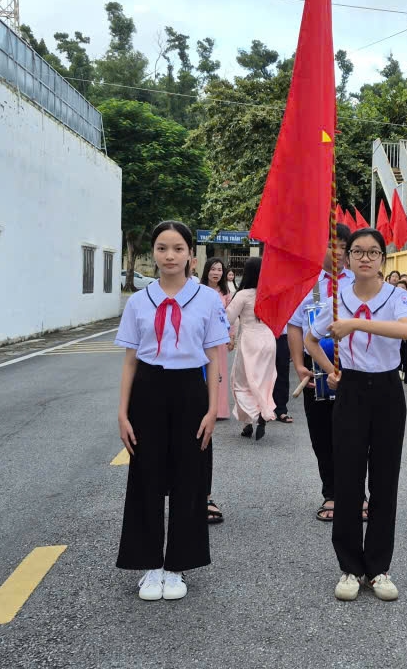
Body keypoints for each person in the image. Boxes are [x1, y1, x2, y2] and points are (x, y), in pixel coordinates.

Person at [115, 221, 228, 602]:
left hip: (190, 391)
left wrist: (213, 408)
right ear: (154, 253)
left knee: (189, 479)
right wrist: (122, 413)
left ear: (190, 256)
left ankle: (178, 564)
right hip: (148, 390)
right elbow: (130, 360)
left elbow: (214, 357)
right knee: (146, 478)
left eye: (177, 248)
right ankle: (150, 565)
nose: (169, 256)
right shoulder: (138, 301)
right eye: (162, 248)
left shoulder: (208, 300)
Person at [307, 228, 407, 602]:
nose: (365, 258)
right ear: (348, 259)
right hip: (351, 389)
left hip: (387, 389)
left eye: (373, 252)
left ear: (383, 259)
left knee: (385, 480)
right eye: (357, 252)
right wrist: (328, 369)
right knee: (349, 479)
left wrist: (356, 324)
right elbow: (310, 337)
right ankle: (350, 567)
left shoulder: (397, 297)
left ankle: (379, 567)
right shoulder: (337, 300)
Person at [287, 224, 357, 524]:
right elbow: (295, 325)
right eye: (332, 245)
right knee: (322, 435)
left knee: (356, 436)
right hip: (316, 373)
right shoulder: (307, 284)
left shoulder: (362, 280)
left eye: (344, 246)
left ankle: (357, 495)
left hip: (356, 373)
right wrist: (298, 363)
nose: (338, 252)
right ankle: (331, 492)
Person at [228, 257, 278, 440]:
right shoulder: (271, 293)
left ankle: (257, 415)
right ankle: (247, 424)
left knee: (241, 383)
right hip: (268, 340)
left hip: (250, 341)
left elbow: (228, 318)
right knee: (263, 382)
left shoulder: (242, 295)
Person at [201, 257, 233, 422]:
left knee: (219, 373)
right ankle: (201, 407)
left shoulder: (225, 293)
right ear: (207, 270)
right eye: (213, 269)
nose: (216, 273)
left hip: (219, 339)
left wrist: (231, 336)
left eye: (219, 270)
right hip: (200, 339)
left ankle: (219, 410)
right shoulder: (199, 290)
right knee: (201, 373)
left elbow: (230, 316)